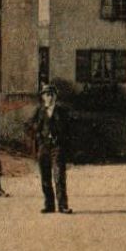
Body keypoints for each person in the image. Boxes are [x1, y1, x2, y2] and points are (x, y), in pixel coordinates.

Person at [31, 83, 72, 213]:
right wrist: (37, 136)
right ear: (43, 97)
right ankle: (49, 205)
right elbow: (29, 125)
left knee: (59, 175)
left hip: (57, 147)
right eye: (47, 95)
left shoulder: (62, 111)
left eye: (52, 94)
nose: (49, 97)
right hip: (43, 147)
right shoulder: (39, 111)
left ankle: (62, 205)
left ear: (56, 96)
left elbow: (70, 128)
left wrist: (62, 139)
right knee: (45, 176)